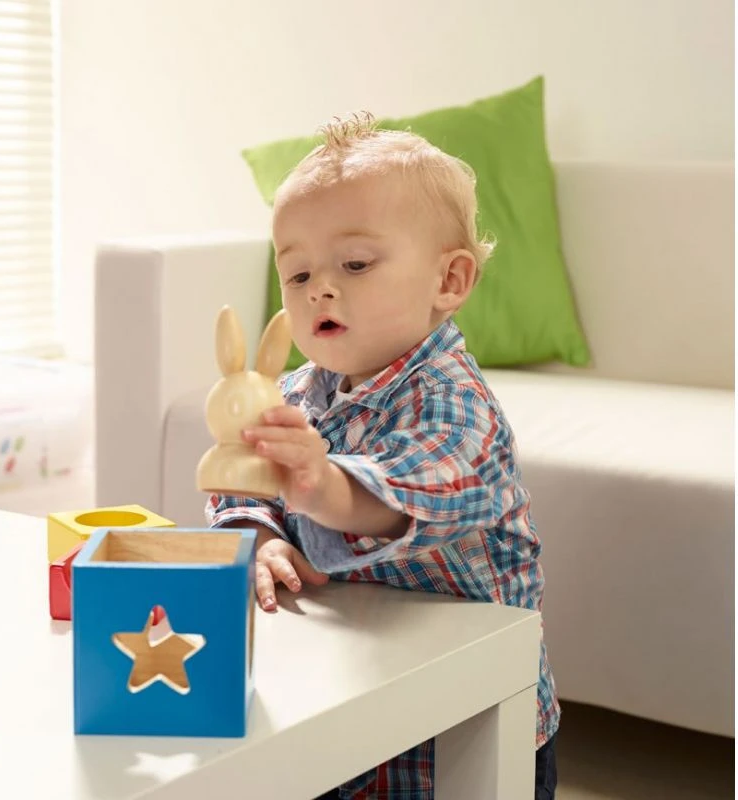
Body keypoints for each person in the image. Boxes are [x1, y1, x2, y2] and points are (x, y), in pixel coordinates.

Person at [205, 112, 559, 799]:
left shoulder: (457, 404)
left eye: (356, 264)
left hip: (465, 733)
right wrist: (256, 530)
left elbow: (408, 490)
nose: (319, 288)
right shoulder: (296, 393)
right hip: (346, 706)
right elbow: (243, 478)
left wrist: (321, 484)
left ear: (449, 280)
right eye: (297, 273)